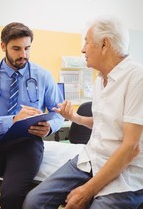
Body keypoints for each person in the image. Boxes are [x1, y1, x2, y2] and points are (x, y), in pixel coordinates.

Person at [22, 15, 143, 209]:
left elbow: (131, 148)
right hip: (91, 158)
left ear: (105, 44)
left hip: (125, 171)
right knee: (33, 201)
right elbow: (105, 123)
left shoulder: (137, 78)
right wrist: (74, 117)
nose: (82, 49)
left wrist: (87, 190)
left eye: (86, 42)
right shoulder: (99, 80)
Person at [0, 22, 64, 209]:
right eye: (16, 49)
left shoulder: (43, 75)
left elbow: (58, 113)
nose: (23, 55)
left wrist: (50, 127)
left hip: (27, 144)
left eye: (27, 48)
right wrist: (12, 120)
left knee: (10, 196)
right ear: (3, 47)